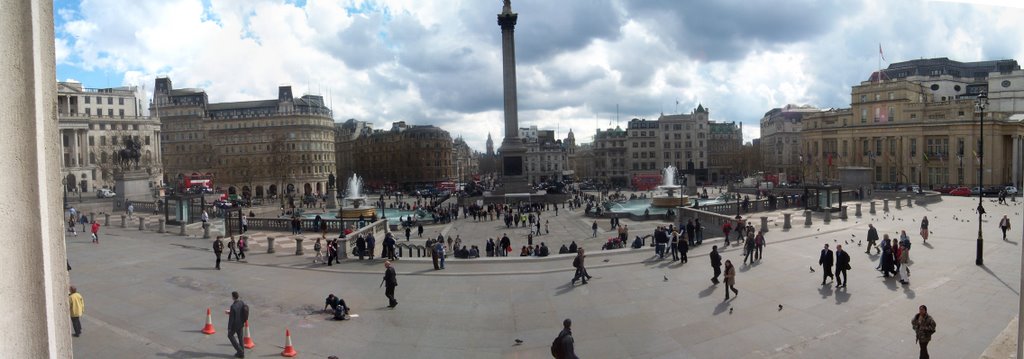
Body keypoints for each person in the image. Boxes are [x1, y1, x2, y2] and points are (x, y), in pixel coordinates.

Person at [226, 291, 249, 358]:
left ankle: (240, 351)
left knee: (230, 335)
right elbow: (240, 312)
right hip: (241, 323)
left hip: (235, 325)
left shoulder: (233, 306)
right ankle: (242, 354)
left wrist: (229, 328)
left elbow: (231, 319)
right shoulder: (241, 302)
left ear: (233, 297)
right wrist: (230, 312)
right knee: (240, 337)